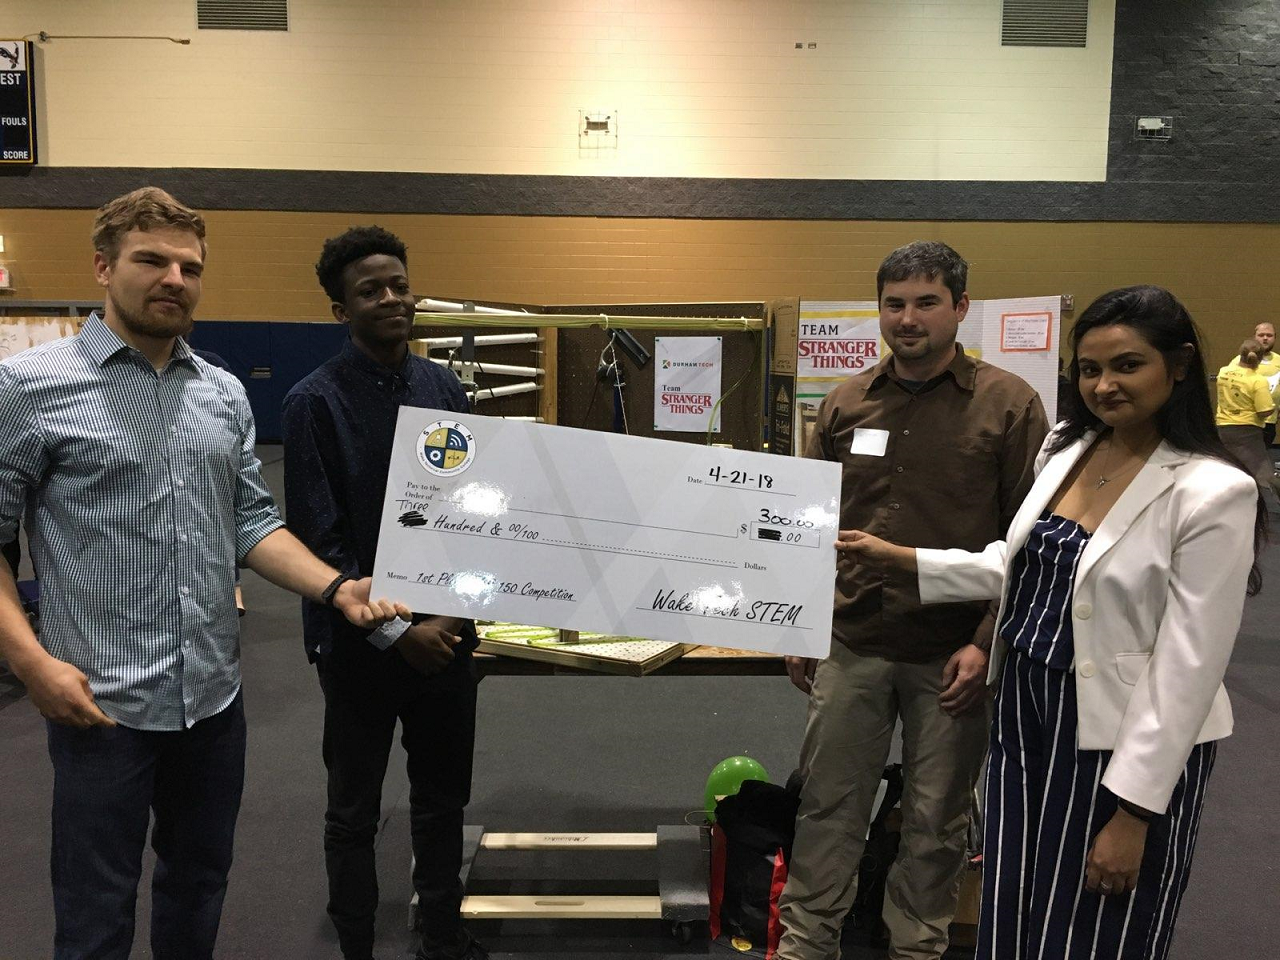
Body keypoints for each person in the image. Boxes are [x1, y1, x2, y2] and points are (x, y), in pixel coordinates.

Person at [0, 187, 408, 960]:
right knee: (95, 915)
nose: (174, 280)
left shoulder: (220, 393)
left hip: (213, 702)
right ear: (102, 266)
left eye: (190, 266)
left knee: (199, 888)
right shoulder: (30, 388)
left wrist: (334, 586)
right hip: (100, 703)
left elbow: (250, 521)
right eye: (151, 260)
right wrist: (33, 665)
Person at [839, 285, 1265, 960]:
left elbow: (1190, 665)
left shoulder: (1214, 490)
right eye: (1090, 369)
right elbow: (1025, 569)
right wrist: (902, 559)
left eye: (1128, 366)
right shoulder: (1068, 450)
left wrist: (1134, 813)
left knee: (1097, 927)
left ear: (1179, 367)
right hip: (1023, 716)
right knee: (1013, 908)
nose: (1104, 385)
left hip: (1121, 738)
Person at [776, 240, 1049, 960]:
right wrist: (801, 625)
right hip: (853, 641)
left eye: (926, 302)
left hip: (953, 655)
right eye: (894, 303)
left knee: (935, 820)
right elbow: (808, 523)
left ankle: (916, 947)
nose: (908, 318)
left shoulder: (1010, 405)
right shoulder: (844, 403)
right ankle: (808, 943)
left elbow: (1029, 544)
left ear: (960, 307)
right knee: (827, 806)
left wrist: (986, 641)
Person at [281, 226, 485, 960]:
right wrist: (401, 633)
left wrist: (453, 618)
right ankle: (358, 946)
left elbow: (473, 516)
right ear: (341, 310)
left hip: (448, 640)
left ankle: (441, 930)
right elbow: (318, 543)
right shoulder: (313, 404)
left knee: (442, 801)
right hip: (360, 648)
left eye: (399, 283)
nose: (393, 298)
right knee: (354, 812)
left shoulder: (442, 387)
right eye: (372, 290)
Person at [1216, 338, 1277, 493]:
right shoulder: (1257, 380)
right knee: (1266, 476)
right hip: (1247, 432)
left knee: (1229, 468)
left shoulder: (1223, 372)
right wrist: (1273, 406)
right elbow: (1263, 411)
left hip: (1223, 428)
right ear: (1261, 358)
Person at [1226, 322, 1280, 446]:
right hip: (1245, 422)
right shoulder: (1239, 361)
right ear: (1254, 337)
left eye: (1269, 335)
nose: (1265, 338)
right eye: (1261, 335)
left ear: (1275, 338)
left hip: (1269, 422)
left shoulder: (1279, 361)